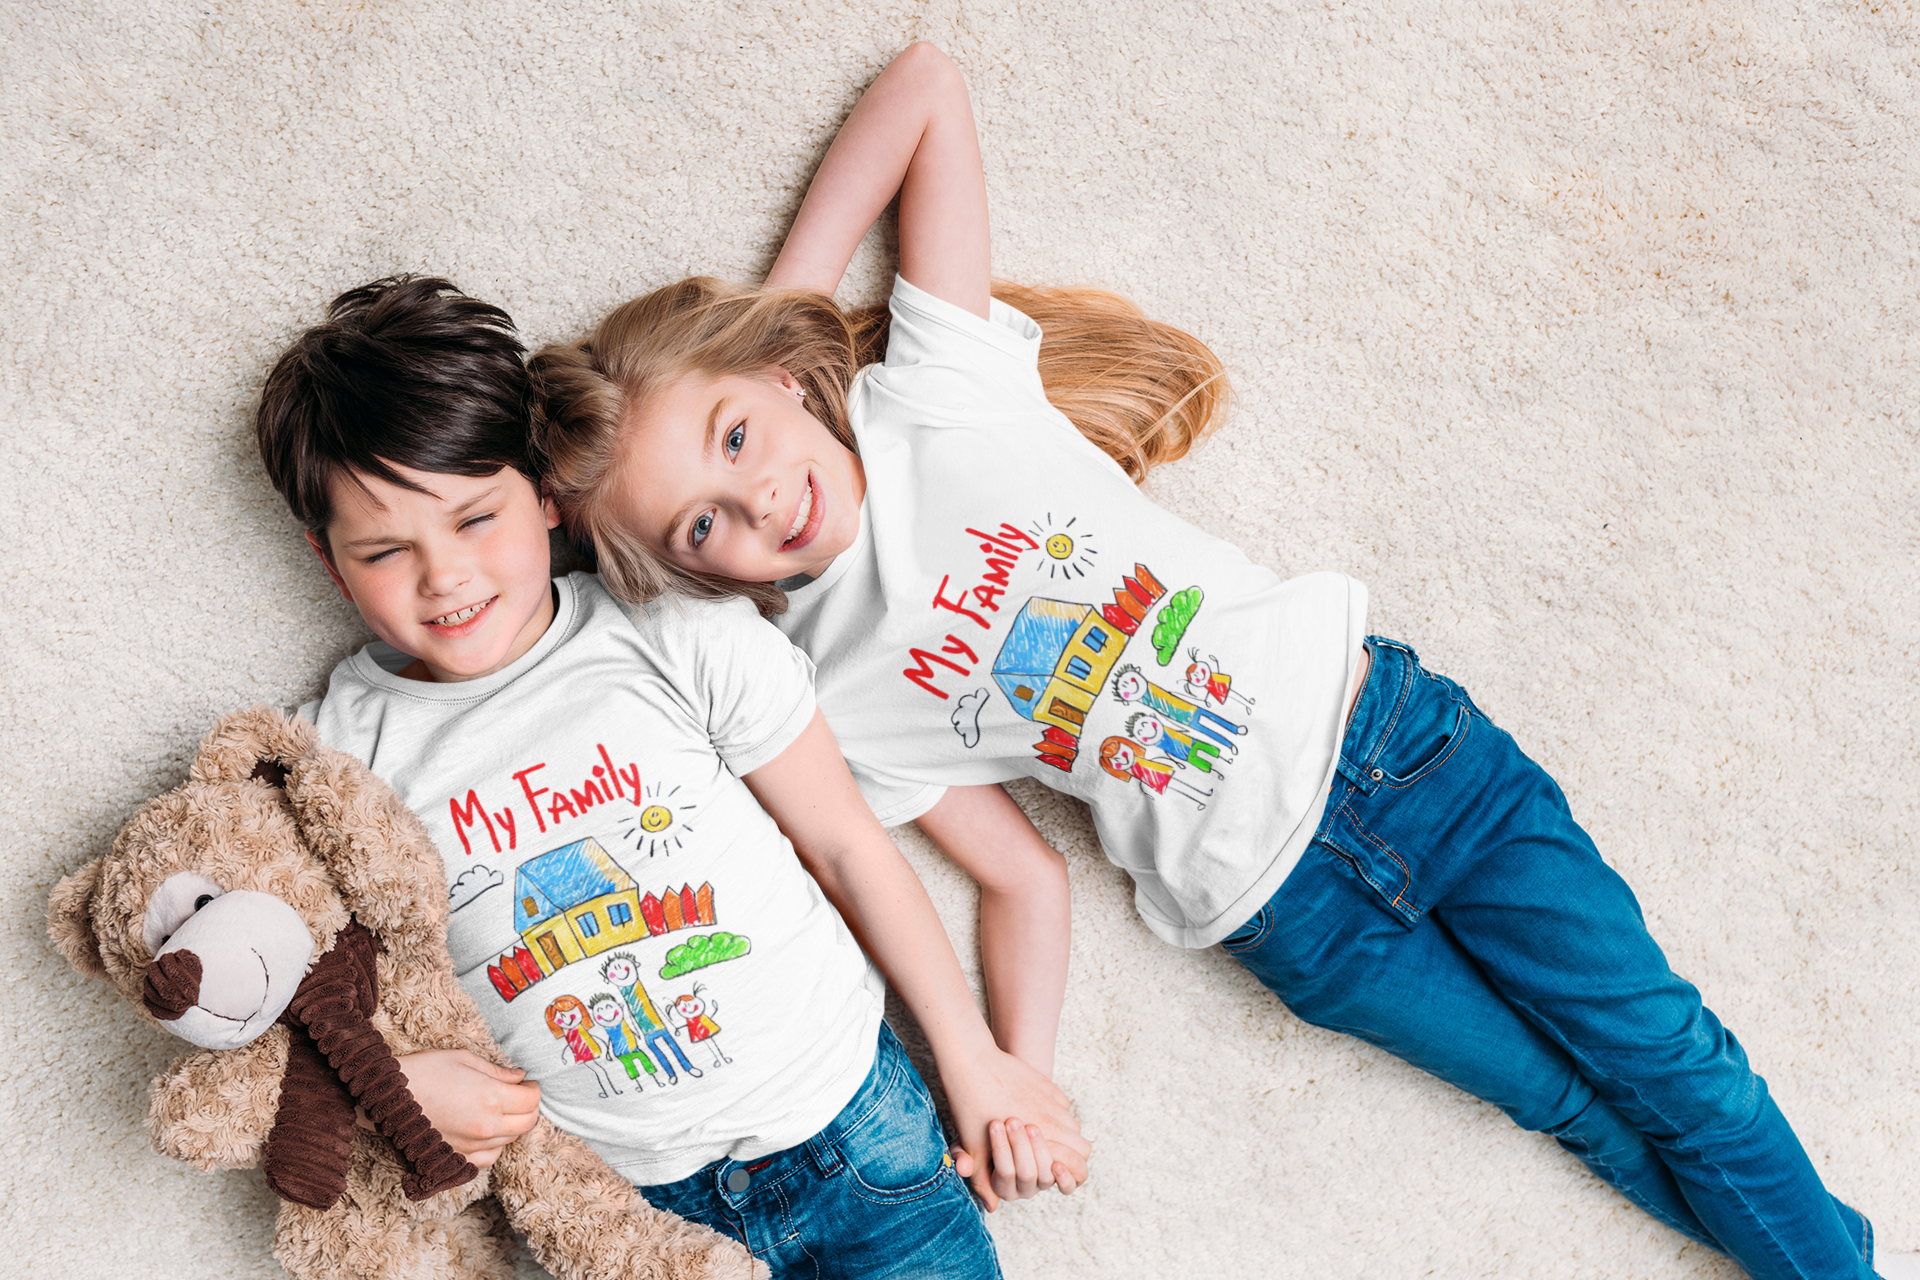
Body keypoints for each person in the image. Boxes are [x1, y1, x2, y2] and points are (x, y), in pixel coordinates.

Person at [524, 41, 1917, 1280]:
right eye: (699, 520)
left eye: (738, 443)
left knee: (1682, 1072)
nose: (754, 503)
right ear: (691, 569)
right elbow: (1017, 874)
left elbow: (927, 92)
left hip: (1410, 755)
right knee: (1567, 1107)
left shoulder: (928, 394)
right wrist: (1020, 1074)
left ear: (777, 386)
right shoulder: (824, 699)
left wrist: (773, 323)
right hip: (1292, 917)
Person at [252, 274, 1090, 1278]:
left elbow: (847, 846)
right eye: (387, 549)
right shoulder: (338, 752)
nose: (446, 576)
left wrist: (972, 1058)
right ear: (328, 560)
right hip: (634, 1213)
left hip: (855, 1127)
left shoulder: (671, 633)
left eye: (477, 519)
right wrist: (384, 1080)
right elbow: (243, 961)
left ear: (546, 495)